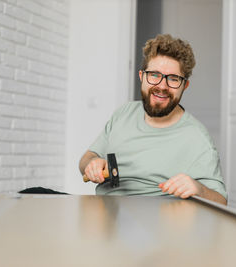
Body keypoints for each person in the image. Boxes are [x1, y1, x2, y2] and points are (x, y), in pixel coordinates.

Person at [79, 34, 227, 205]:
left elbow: (221, 201)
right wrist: (91, 164)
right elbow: (87, 158)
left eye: (173, 79)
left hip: (154, 219)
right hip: (104, 212)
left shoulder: (197, 138)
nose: (162, 86)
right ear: (142, 76)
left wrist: (199, 189)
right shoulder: (123, 113)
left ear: (184, 86)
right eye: (154, 75)